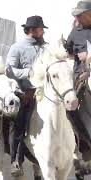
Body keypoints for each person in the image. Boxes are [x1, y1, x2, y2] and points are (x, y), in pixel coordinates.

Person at [6, 16, 48, 177]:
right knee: (18, 124)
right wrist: (28, 72)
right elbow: (9, 70)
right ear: (31, 30)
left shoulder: (46, 47)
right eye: (40, 28)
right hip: (25, 93)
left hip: (45, 92)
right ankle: (16, 161)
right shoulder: (17, 47)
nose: (43, 31)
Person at [66, 0, 91, 177]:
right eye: (76, 15)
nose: (77, 18)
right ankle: (83, 147)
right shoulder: (75, 31)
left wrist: (89, 56)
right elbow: (68, 51)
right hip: (79, 76)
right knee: (72, 110)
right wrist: (75, 54)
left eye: (80, 14)